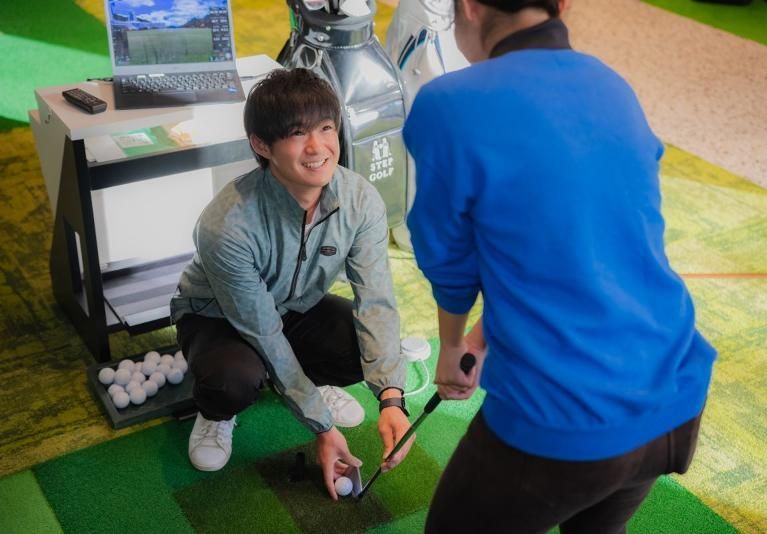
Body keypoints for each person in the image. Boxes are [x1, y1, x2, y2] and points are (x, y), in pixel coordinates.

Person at [403, 0, 717, 531]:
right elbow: (586, 245)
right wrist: (485, 335)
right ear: (563, 4)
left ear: (470, 7)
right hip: (672, 397)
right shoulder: (611, 86)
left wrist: (453, 349)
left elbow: (448, 261)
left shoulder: (449, 102)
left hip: (564, 414)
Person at [170, 68, 413, 500]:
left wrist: (392, 399)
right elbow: (262, 329)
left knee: (363, 346)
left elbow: (376, 301)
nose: (318, 147)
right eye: (298, 134)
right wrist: (322, 425)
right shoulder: (226, 225)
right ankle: (215, 413)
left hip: (295, 307)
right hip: (217, 316)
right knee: (232, 380)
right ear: (261, 145)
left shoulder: (360, 199)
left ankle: (304, 383)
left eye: (326, 128)